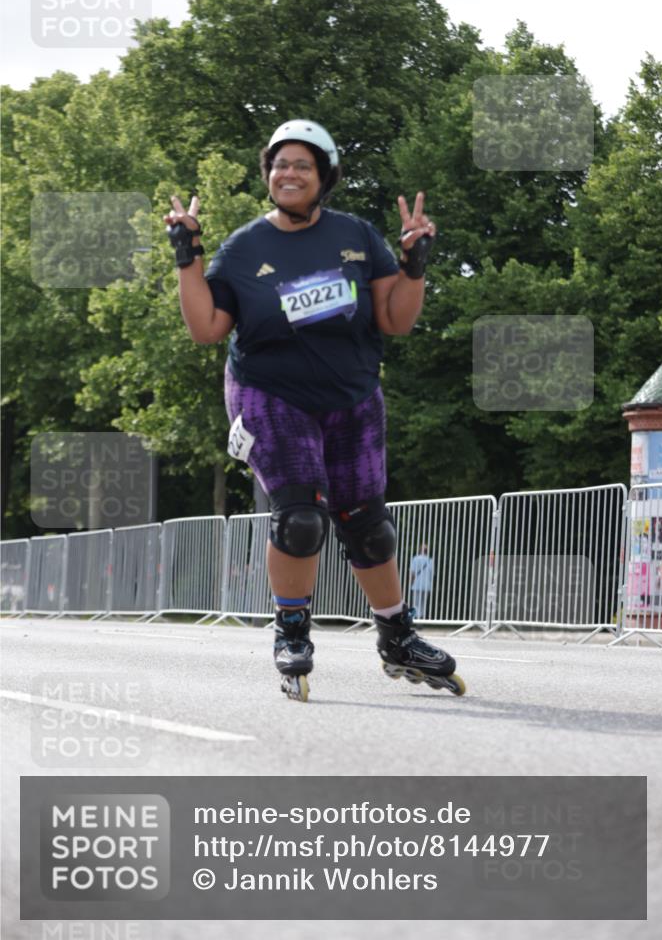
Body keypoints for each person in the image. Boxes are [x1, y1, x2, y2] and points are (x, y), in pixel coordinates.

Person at [165, 119, 465, 701]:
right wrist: (187, 258)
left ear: (324, 176)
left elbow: (395, 320)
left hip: (351, 395)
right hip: (269, 393)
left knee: (369, 527)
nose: (288, 174)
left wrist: (414, 266)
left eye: (302, 165)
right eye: (279, 165)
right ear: (268, 176)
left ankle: (398, 637)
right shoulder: (247, 247)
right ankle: (292, 631)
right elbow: (206, 329)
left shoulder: (355, 236)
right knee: (301, 518)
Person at [410, 544, 434, 619]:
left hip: (417, 584)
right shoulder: (430, 560)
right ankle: (422, 618)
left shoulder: (415, 559)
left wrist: (411, 582)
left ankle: (417, 618)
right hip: (426, 585)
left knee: (416, 603)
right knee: (423, 603)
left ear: (420, 550)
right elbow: (432, 574)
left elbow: (412, 573)